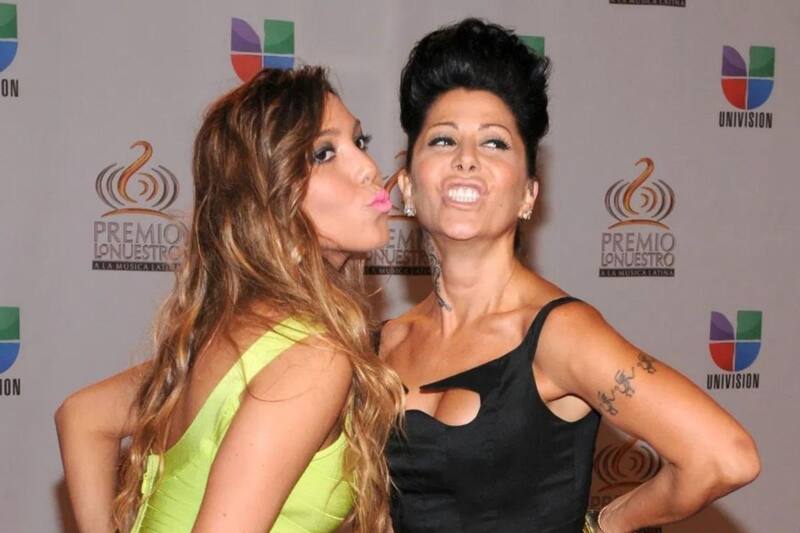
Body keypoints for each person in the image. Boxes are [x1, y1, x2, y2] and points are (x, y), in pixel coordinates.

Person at [380, 19, 760, 533]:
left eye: (494, 144)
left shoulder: (557, 333)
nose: (466, 159)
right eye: (443, 140)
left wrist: (605, 524)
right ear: (406, 185)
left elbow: (725, 456)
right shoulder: (386, 341)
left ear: (528, 194)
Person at [55, 66, 402, 533]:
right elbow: (83, 417)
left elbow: (82, 415)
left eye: (359, 141)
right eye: (323, 153)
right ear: (266, 199)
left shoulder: (231, 331)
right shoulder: (311, 357)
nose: (368, 167)